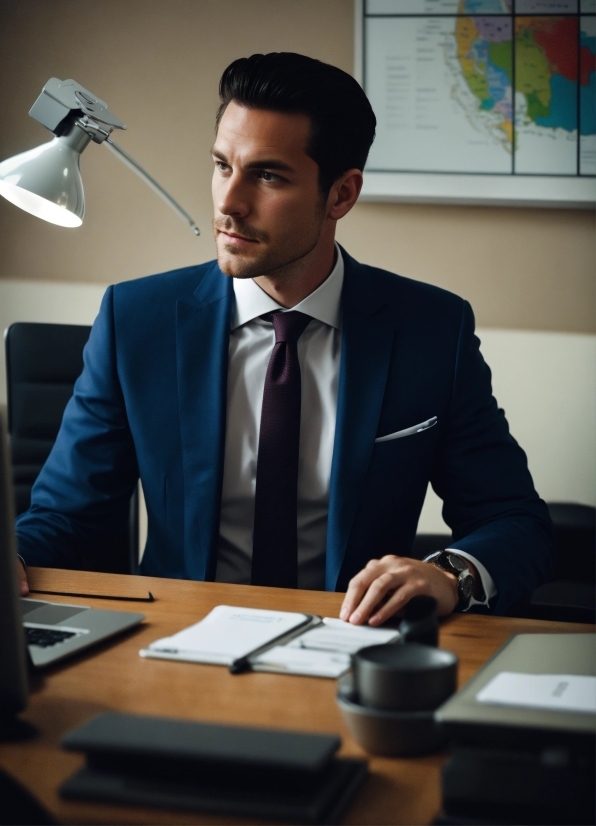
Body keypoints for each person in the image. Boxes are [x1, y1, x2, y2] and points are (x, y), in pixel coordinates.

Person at [15, 53, 555, 624]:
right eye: (223, 165)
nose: (229, 203)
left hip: (351, 648)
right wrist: (18, 552)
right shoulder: (135, 320)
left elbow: (517, 522)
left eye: (267, 175)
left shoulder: (432, 332)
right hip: (172, 646)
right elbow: (65, 517)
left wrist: (451, 573)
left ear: (341, 195)